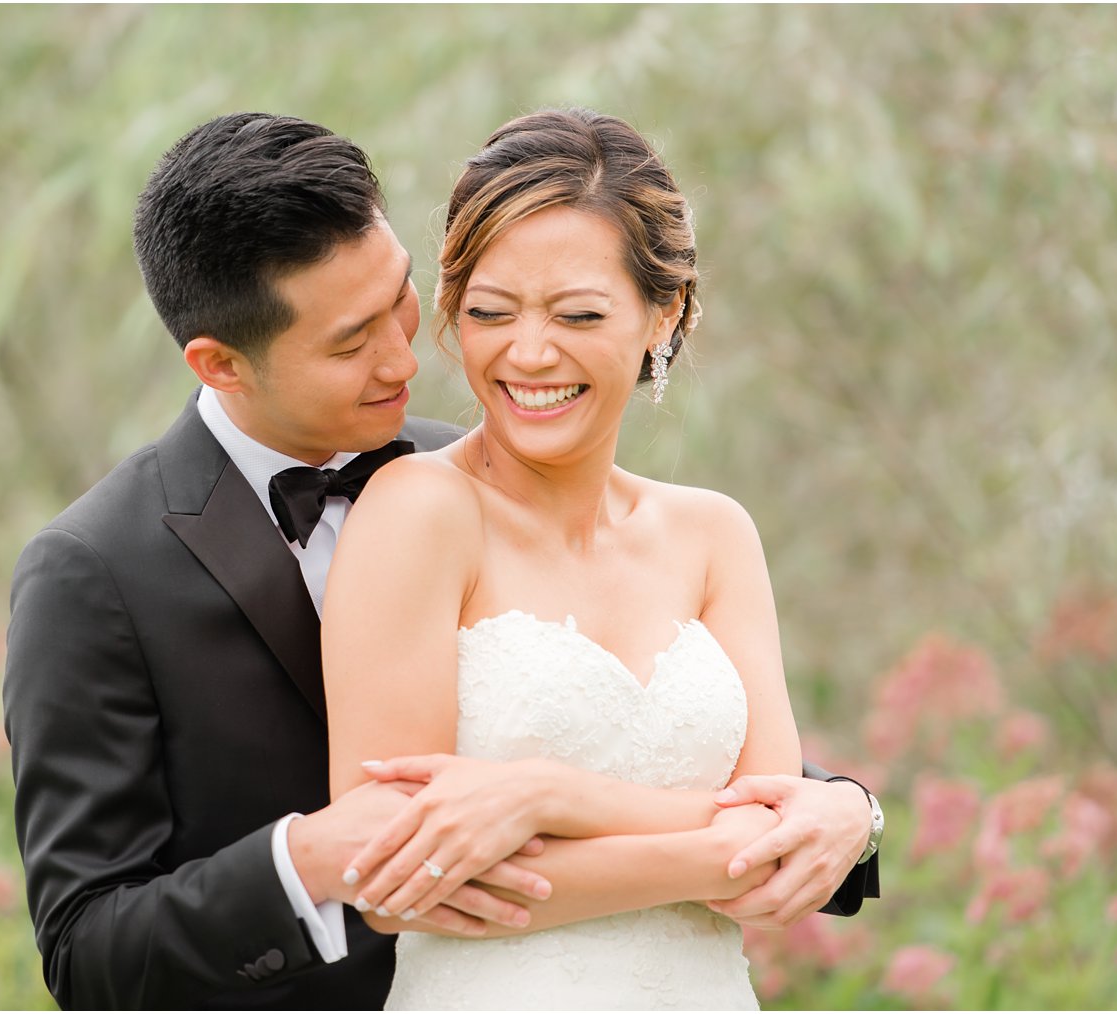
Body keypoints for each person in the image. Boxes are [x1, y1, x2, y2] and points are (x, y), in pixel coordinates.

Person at [4, 111, 879, 1010]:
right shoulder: (94, 571)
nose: (404, 356)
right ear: (220, 364)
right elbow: (87, 950)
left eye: (403, 299)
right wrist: (310, 856)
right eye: (351, 342)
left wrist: (848, 810)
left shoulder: (512, 462)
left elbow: (685, 756)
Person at [321, 108, 872, 1010]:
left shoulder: (715, 535)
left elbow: (779, 857)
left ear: (666, 313)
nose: (529, 353)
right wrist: (712, 848)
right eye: (491, 313)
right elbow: (394, 877)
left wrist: (548, 799)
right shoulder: (419, 512)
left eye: (578, 314)